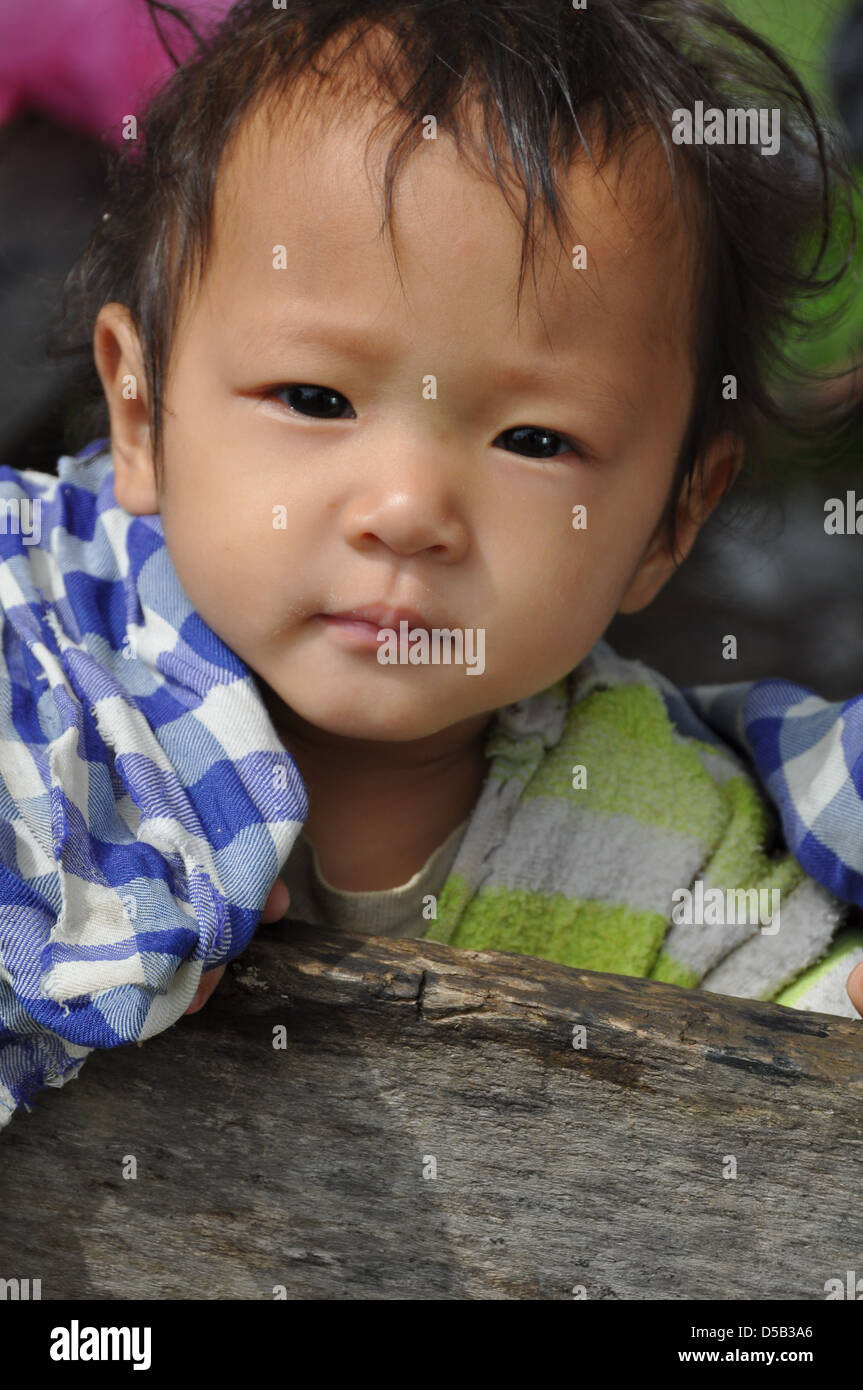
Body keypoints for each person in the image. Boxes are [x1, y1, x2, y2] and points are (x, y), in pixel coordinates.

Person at [3, 0, 863, 1126]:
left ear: (670, 517)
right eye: (314, 399)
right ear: (140, 415)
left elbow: (783, 1055)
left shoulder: (664, 827)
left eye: (534, 441)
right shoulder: (52, 687)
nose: (406, 511)